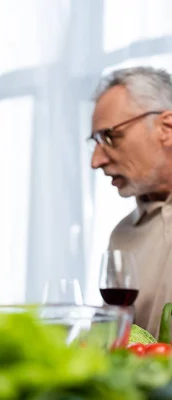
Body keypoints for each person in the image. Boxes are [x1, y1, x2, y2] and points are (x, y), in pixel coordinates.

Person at [90, 66, 172, 336]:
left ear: (167, 128)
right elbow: (113, 344)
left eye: (110, 137)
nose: (96, 161)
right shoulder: (122, 237)